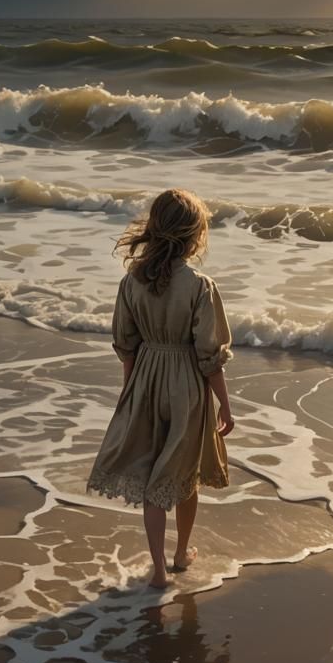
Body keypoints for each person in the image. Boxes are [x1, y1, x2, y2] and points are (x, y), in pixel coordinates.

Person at [87, 188, 234, 589]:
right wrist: (224, 403)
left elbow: (126, 345)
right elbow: (210, 355)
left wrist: (128, 391)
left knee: (154, 476)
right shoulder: (200, 286)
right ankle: (181, 553)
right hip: (186, 386)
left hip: (146, 380)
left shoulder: (132, 282)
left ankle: (156, 570)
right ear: (194, 236)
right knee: (184, 475)